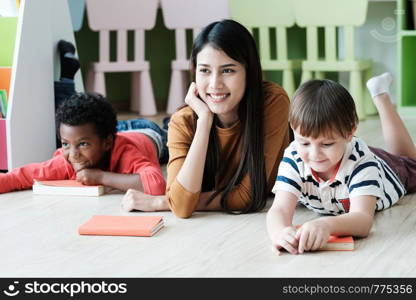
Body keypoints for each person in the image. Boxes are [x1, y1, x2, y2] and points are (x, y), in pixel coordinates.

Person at [121, 19, 290, 217]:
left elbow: (248, 196)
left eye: (228, 70)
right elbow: (183, 208)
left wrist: (163, 201)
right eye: (204, 71)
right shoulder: (183, 120)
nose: (214, 84)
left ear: (249, 72)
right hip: (176, 127)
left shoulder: (271, 101)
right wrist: (204, 121)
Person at [266, 72, 416, 255]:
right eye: (304, 142)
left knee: (410, 161)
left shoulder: (363, 163)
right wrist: (279, 232)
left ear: (350, 132)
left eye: (326, 144)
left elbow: (362, 220)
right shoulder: (294, 156)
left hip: (387, 170)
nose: (314, 155)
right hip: (344, 155)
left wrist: (326, 224)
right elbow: (280, 208)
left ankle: (381, 96)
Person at [0, 92, 166, 195]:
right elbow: (18, 177)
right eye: (65, 144)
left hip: (147, 132)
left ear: (108, 143)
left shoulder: (126, 153)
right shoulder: (67, 161)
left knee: (173, 140)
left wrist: (100, 176)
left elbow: (156, 185)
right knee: (92, 129)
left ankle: (167, 125)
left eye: (83, 144)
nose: (73, 155)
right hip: (107, 131)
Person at [54, 40, 169, 164]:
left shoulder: (129, 156)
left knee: (73, 127)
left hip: (142, 133)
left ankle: (67, 78)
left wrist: (100, 177)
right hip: (128, 130)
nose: (73, 155)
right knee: (71, 127)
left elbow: (154, 180)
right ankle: (67, 78)